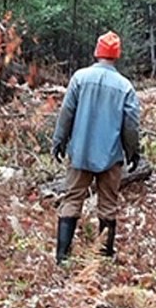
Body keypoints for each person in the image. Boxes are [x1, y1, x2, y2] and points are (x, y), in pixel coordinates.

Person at [51, 31, 140, 264]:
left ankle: (62, 258)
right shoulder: (125, 87)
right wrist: (133, 152)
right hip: (111, 157)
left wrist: (59, 140)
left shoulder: (80, 78)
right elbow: (131, 125)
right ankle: (104, 258)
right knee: (108, 205)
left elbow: (66, 113)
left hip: (79, 153)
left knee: (72, 199)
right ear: (117, 54)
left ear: (97, 51)